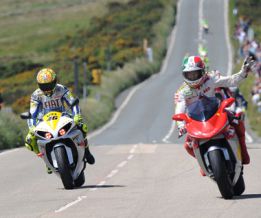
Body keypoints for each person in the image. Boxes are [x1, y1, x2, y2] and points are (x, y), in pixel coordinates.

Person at [174, 55, 256, 169]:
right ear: (184, 75)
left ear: (202, 71)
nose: (192, 77)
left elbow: (231, 81)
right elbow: (180, 108)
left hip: (216, 112)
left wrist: (243, 72)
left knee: (238, 122)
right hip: (196, 120)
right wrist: (181, 124)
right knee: (188, 146)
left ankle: (244, 154)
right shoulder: (182, 91)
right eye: (189, 74)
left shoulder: (211, 79)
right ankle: (204, 165)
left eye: (195, 73)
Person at [25, 68, 95, 173]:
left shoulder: (62, 89)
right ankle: (46, 162)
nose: (47, 88)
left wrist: (76, 116)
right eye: (43, 86)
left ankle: (87, 150)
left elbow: (73, 103)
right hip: (44, 122)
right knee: (29, 141)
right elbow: (32, 113)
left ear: (55, 81)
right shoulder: (36, 95)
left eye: (49, 85)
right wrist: (32, 128)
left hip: (63, 117)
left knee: (81, 126)